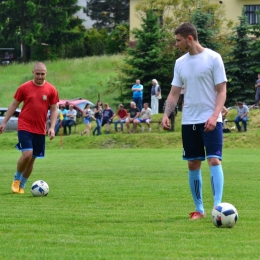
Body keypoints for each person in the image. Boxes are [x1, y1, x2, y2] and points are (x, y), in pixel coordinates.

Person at [162, 22, 227, 220]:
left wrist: (214, 116)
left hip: (210, 119)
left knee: (214, 160)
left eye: (178, 41)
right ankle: (199, 209)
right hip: (189, 120)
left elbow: (221, 90)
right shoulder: (180, 63)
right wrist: (166, 114)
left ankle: (218, 208)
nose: (176, 44)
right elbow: (174, 94)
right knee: (193, 164)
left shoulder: (213, 58)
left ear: (189, 39)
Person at [0, 62, 59, 194]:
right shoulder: (24, 88)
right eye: (37, 74)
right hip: (25, 125)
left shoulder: (51, 90)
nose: (40, 76)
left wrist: (52, 127)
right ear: (33, 73)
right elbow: (14, 105)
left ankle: (22, 186)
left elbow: (54, 109)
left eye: (42, 74)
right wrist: (4, 122)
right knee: (27, 154)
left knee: (32, 158)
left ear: (46, 74)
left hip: (39, 129)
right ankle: (16, 180)